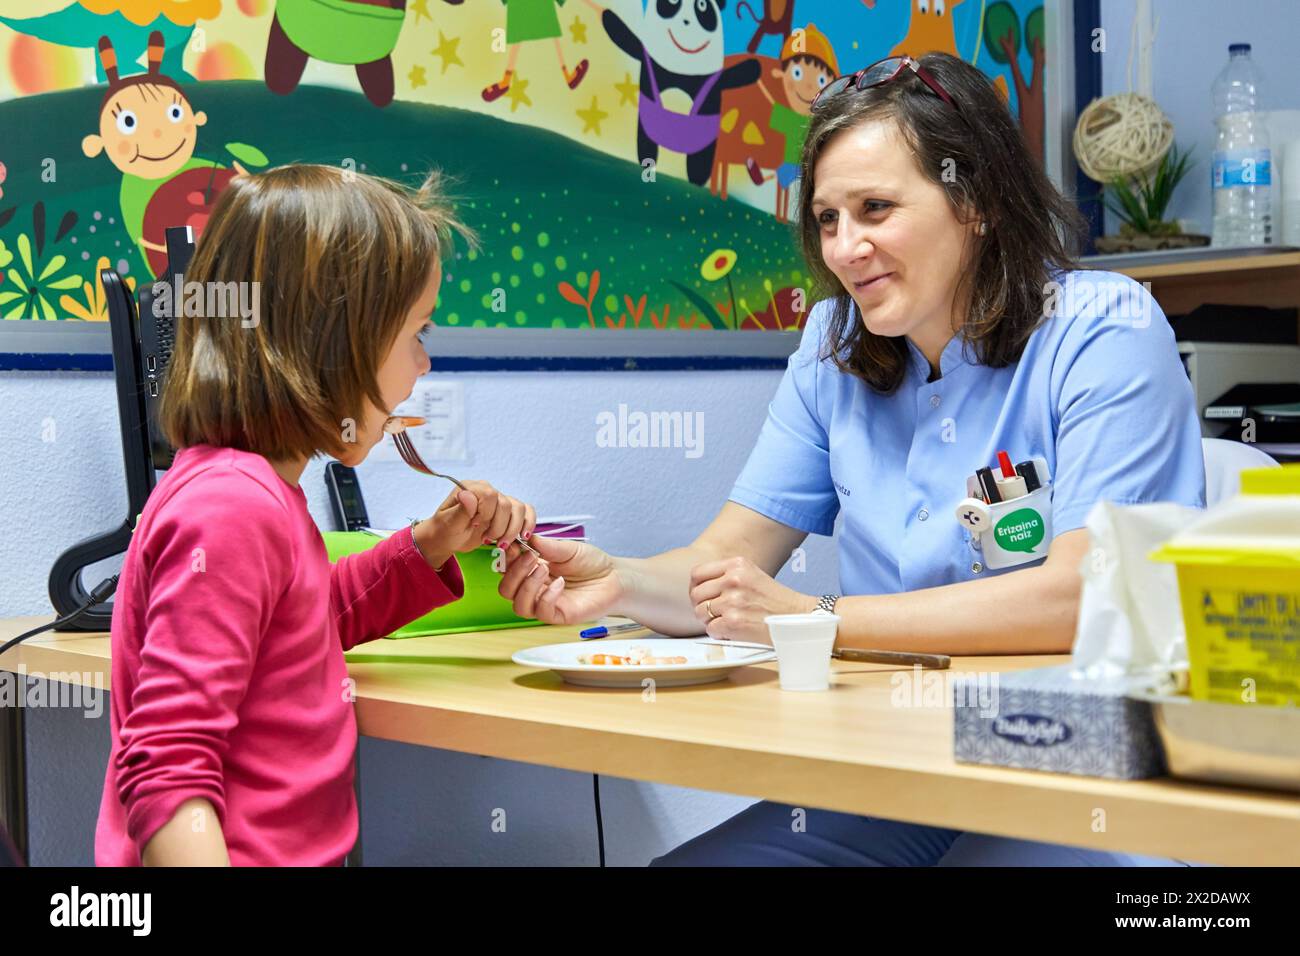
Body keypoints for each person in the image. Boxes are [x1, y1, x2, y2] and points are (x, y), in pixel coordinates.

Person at [504, 52, 1206, 865]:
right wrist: (616, 580)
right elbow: (725, 567)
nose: (844, 248)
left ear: (973, 198)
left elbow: (1086, 597)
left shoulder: (1104, 330)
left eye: (876, 208)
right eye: (828, 220)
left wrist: (816, 622)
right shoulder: (834, 346)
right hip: (899, 759)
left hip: (1080, 760)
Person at [95, 165, 548, 866]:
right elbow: (168, 766)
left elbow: (297, 629)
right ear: (330, 344)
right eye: (415, 334)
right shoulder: (232, 510)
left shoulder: (250, 491)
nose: (423, 364)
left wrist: (427, 548)